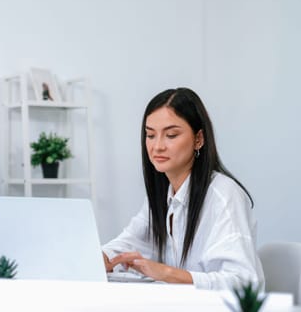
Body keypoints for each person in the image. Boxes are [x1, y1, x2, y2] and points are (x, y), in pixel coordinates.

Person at [102, 87, 264, 290]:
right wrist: (102, 257)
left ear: (199, 139)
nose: (157, 146)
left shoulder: (223, 195)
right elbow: (129, 242)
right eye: (150, 135)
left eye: (171, 135)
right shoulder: (164, 194)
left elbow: (243, 282)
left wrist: (168, 273)